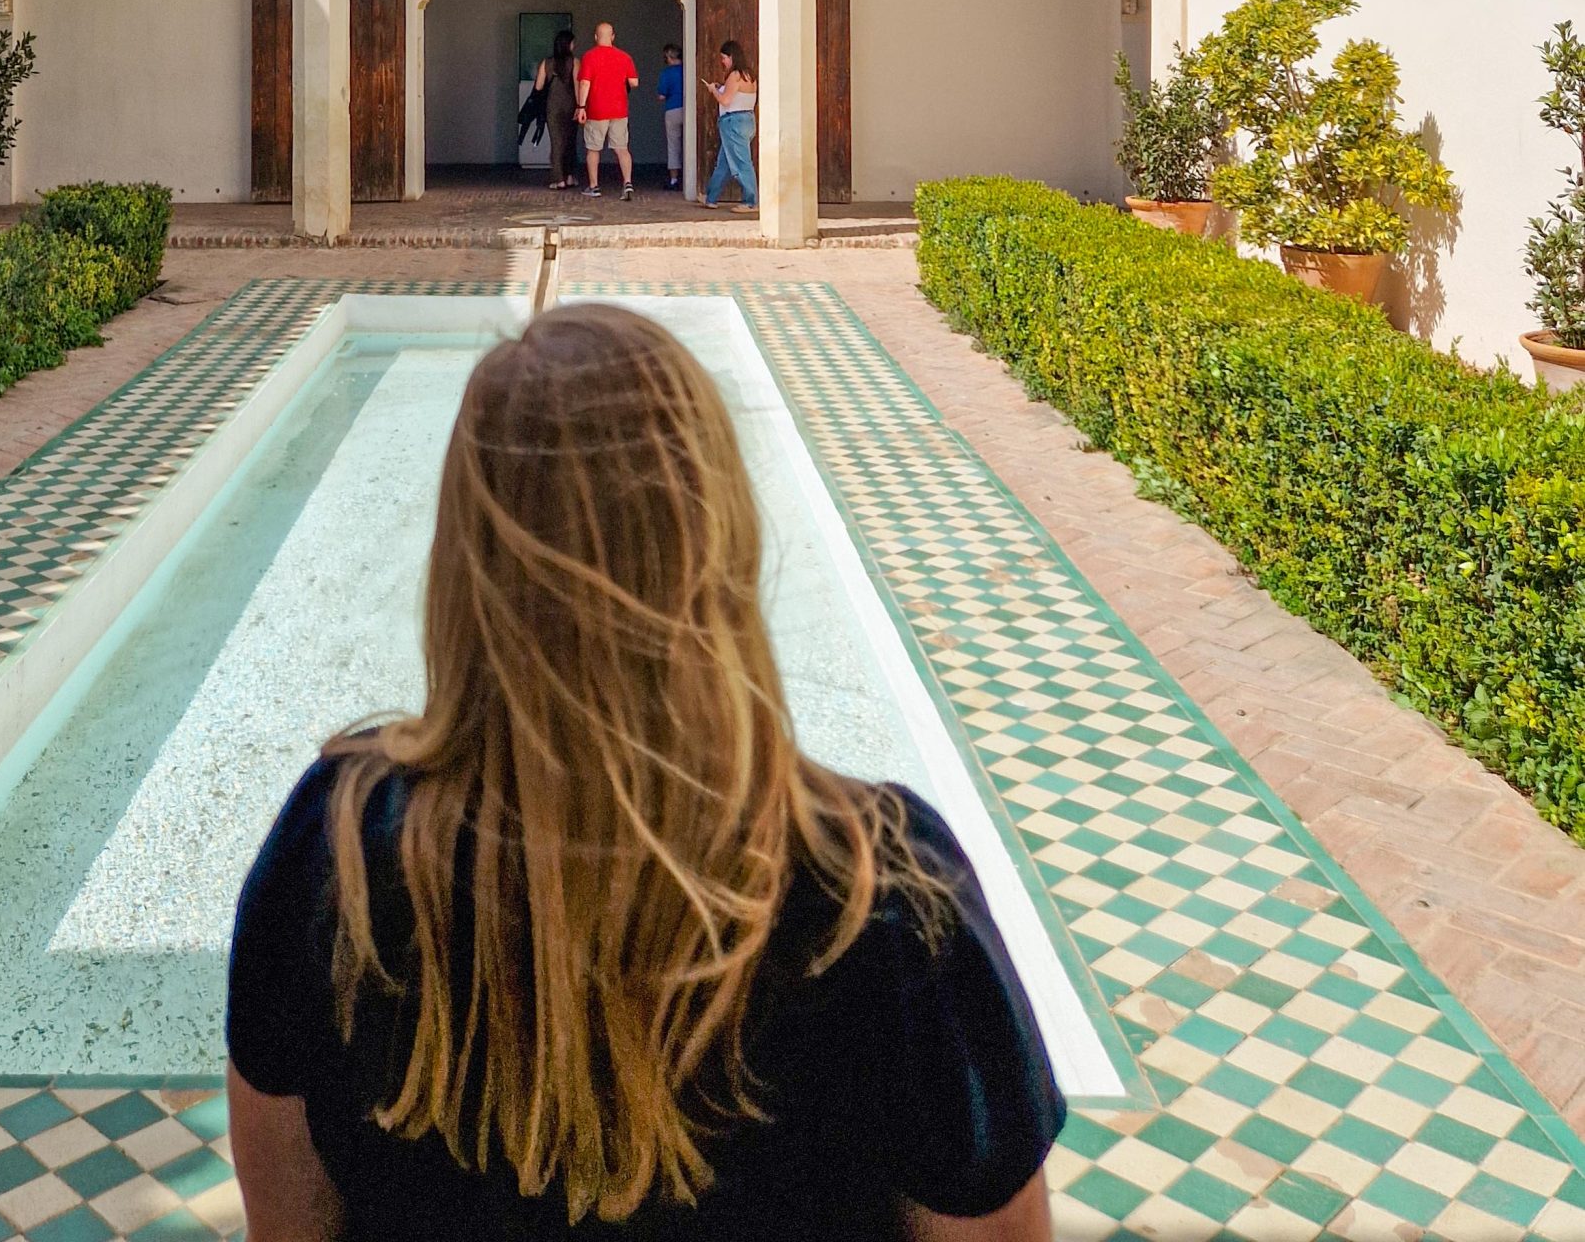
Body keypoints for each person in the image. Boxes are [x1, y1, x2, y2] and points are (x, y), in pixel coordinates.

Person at [225, 304, 1063, 1241]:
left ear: (467, 555)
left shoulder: (336, 853)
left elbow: (287, 1223)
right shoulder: (877, 893)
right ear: (717, 534)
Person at [574, 18, 639, 201]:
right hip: (619, 110)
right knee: (622, 148)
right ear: (613, 37)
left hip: (596, 110)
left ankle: (594, 186)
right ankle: (627, 183)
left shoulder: (589, 57)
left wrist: (581, 107)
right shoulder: (625, 57)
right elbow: (634, 82)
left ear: (596, 37)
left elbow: (584, 83)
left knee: (594, 149)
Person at [706, 39, 758, 213]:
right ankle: (711, 197)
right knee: (724, 163)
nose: (723, 62)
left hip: (733, 122)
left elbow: (726, 100)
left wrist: (714, 91)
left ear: (731, 56)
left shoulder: (734, 75)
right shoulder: (749, 75)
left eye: (724, 58)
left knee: (742, 162)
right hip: (747, 119)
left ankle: (751, 201)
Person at [533, 28, 579, 189]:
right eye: (573, 43)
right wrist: (581, 106)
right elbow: (578, 85)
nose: (574, 46)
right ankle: (570, 176)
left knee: (556, 142)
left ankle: (558, 178)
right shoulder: (574, 62)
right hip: (571, 105)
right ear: (568, 44)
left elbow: (538, 86)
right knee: (570, 141)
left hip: (552, 106)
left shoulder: (547, 63)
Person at [658, 41, 685, 192]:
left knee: (673, 145)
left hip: (672, 109)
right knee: (690, 145)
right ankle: (691, 177)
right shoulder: (688, 70)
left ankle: (674, 179)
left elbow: (661, 96)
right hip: (688, 109)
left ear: (669, 56)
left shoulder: (666, 73)